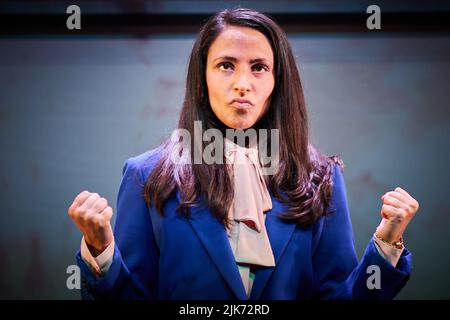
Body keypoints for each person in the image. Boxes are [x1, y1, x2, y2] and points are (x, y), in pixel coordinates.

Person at [67, 8, 419, 300]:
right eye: (225, 65)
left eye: (259, 67)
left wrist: (386, 245)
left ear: (278, 80)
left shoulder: (321, 177)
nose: (242, 84)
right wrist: (102, 251)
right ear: (201, 77)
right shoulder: (147, 175)